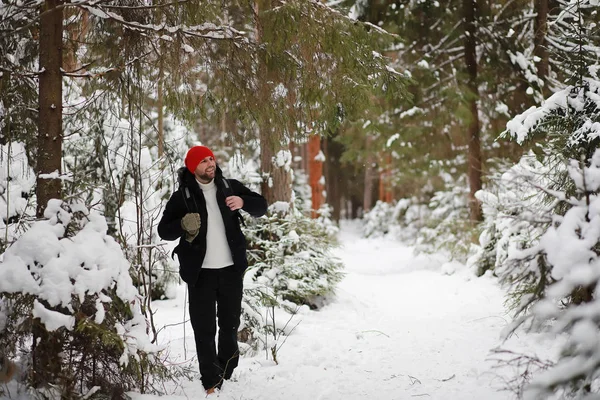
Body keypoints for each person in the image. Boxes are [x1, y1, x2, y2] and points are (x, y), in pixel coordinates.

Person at [158, 145, 267, 394]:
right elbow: (164, 231)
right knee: (204, 328)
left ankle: (226, 370)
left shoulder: (229, 187)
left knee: (229, 325)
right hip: (200, 274)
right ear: (192, 167)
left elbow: (261, 207)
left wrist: (243, 201)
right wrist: (182, 224)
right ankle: (210, 380)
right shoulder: (183, 197)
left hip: (230, 270)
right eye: (204, 161)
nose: (211, 163)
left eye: (211, 159)